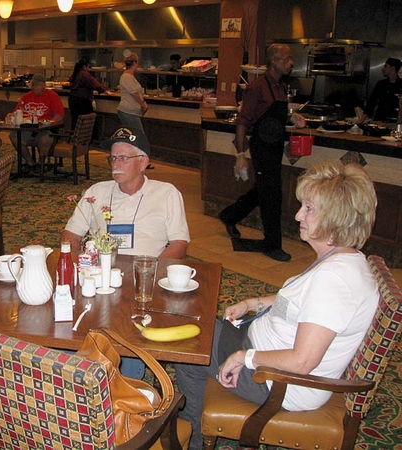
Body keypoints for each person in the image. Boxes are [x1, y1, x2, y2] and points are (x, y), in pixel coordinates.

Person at [176, 160, 379, 450]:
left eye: (309, 209)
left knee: (189, 344)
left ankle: (193, 440)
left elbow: (302, 361)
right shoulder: (344, 259)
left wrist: (244, 357)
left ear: (336, 218)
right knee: (199, 323)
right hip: (266, 351)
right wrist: (254, 302)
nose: (298, 215)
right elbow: (301, 302)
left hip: (278, 383)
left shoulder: (334, 281)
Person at [62, 126, 189, 260]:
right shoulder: (96, 192)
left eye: (123, 158)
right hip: (101, 272)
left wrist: (152, 270)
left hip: (146, 272)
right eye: (113, 158)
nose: (115, 164)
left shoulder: (167, 194)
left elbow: (179, 243)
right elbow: (70, 234)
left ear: (143, 162)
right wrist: (78, 263)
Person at [219, 44, 297, 262]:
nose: (291, 63)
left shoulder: (281, 86)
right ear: (275, 61)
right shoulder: (256, 87)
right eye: (288, 59)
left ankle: (229, 215)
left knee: (263, 189)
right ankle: (273, 245)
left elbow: (276, 117)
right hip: (261, 148)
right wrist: (241, 154)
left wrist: (293, 119)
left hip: (275, 147)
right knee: (272, 194)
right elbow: (243, 122)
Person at [9, 74, 64, 172]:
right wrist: (11, 116)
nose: (33, 87)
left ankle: (41, 163)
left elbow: (59, 116)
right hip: (28, 129)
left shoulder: (52, 96)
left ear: (43, 85)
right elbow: (16, 111)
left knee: (43, 139)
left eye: (36, 85)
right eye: (32, 85)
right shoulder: (26, 97)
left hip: (45, 130)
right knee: (14, 136)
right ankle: (31, 162)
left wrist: (49, 122)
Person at [68, 58, 109, 130]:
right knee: (87, 123)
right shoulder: (84, 74)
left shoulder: (75, 73)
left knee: (76, 122)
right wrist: (104, 91)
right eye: (88, 67)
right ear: (84, 67)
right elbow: (96, 85)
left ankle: (75, 138)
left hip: (72, 100)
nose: (88, 69)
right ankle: (87, 139)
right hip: (82, 101)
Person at [361, 57, 402, 123]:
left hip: (396, 122)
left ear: (393, 68)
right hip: (380, 121)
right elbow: (371, 103)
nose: (383, 69)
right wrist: (360, 121)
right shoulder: (381, 84)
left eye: (386, 66)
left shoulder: (401, 84)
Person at [117, 52, 148, 137]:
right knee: (139, 135)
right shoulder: (126, 77)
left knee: (133, 135)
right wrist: (143, 103)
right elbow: (134, 94)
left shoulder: (129, 76)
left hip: (131, 111)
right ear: (134, 62)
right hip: (128, 110)